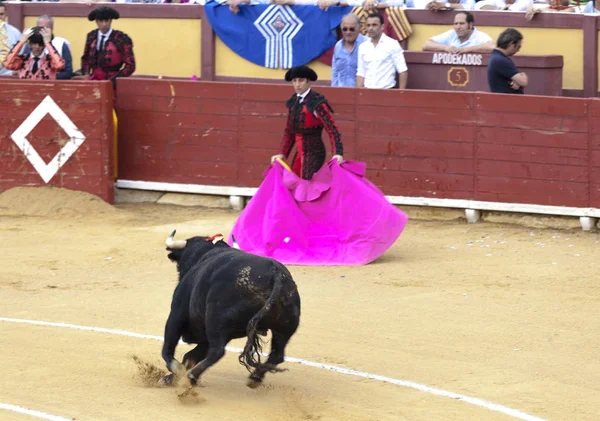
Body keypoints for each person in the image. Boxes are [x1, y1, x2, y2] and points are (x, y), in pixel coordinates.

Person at [270, 65, 344, 181]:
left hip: (314, 152)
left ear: (309, 81)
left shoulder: (317, 103)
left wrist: (338, 153)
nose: (297, 84)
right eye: (294, 81)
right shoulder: (294, 101)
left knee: (306, 185)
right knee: (293, 183)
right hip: (300, 153)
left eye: (301, 80)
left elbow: (332, 129)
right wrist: (282, 154)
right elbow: (289, 131)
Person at [78, 6, 136, 89]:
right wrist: (86, 74)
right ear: (96, 22)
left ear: (111, 21)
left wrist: (113, 81)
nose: (104, 24)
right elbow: (85, 58)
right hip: (94, 81)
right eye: (101, 21)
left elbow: (130, 65)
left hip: (113, 83)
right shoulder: (91, 36)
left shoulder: (121, 38)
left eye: (106, 21)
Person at [356, 13, 408, 90]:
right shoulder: (363, 47)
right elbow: (361, 73)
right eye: (368, 25)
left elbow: (402, 70)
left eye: (374, 25)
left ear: (382, 27)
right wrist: (359, 94)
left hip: (387, 92)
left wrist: (401, 94)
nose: (370, 28)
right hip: (367, 92)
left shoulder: (392, 44)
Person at [21, 15, 73, 80]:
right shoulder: (31, 44)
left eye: (46, 28)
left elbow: (68, 73)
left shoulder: (61, 43)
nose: (43, 31)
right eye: (40, 28)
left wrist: (48, 76)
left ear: (52, 29)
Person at [422, 12, 494, 54]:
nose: (458, 27)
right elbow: (426, 44)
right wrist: (445, 48)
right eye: (456, 24)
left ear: (470, 25)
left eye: (462, 23)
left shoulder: (479, 36)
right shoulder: (451, 33)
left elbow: (492, 47)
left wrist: (467, 49)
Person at [487, 28, 527, 94]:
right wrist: (523, 75)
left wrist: (517, 80)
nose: (518, 50)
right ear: (511, 44)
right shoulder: (501, 60)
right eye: (518, 47)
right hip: (506, 102)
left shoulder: (496, 57)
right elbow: (523, 82)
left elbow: (520, 81)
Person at [331, 13, 367, 88]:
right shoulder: (338, 46)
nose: (348, 32)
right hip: (341, 93)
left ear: (359, 28)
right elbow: (335, 72)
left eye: (352, 29)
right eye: (345, 29)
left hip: (361, 93)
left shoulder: (367, 44)